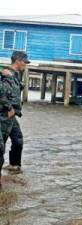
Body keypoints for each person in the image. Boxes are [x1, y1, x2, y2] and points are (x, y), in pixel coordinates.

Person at [0, 51, 29, 187]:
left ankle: (14, 166)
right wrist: (9, 108)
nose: (25, 64)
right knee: (1, 145)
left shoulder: (16, 75)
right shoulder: (7, 73)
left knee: (18, 140)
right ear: (18, 60)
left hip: (14, 115)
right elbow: (2, 93)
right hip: (6, 114)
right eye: (24, 61)